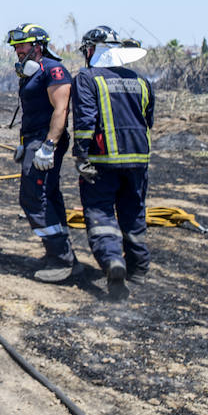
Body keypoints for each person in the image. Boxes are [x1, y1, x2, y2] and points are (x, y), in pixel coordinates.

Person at [70, 26, 154, 301]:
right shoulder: (141, 80)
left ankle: (112, 261)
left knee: (100, 213)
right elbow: (148, 119)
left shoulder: (87, 78)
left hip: (102, 160)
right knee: (133, 212)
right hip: (138, 159)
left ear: (92, 50)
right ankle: (139, 269)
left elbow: (84, 121)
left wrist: (81, 154)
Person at [7, 23, 81, 282]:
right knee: (48, 195)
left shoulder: (54, 70)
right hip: (34, 141)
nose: (17, 50)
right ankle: (64, 254)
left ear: (38, 46)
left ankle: (60, 259)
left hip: (45, 142)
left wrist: (48, 146)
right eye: (16, 46)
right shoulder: (33, 72)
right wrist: (24, 145)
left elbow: (61, 111)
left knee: (34, 197)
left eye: (22, 45)